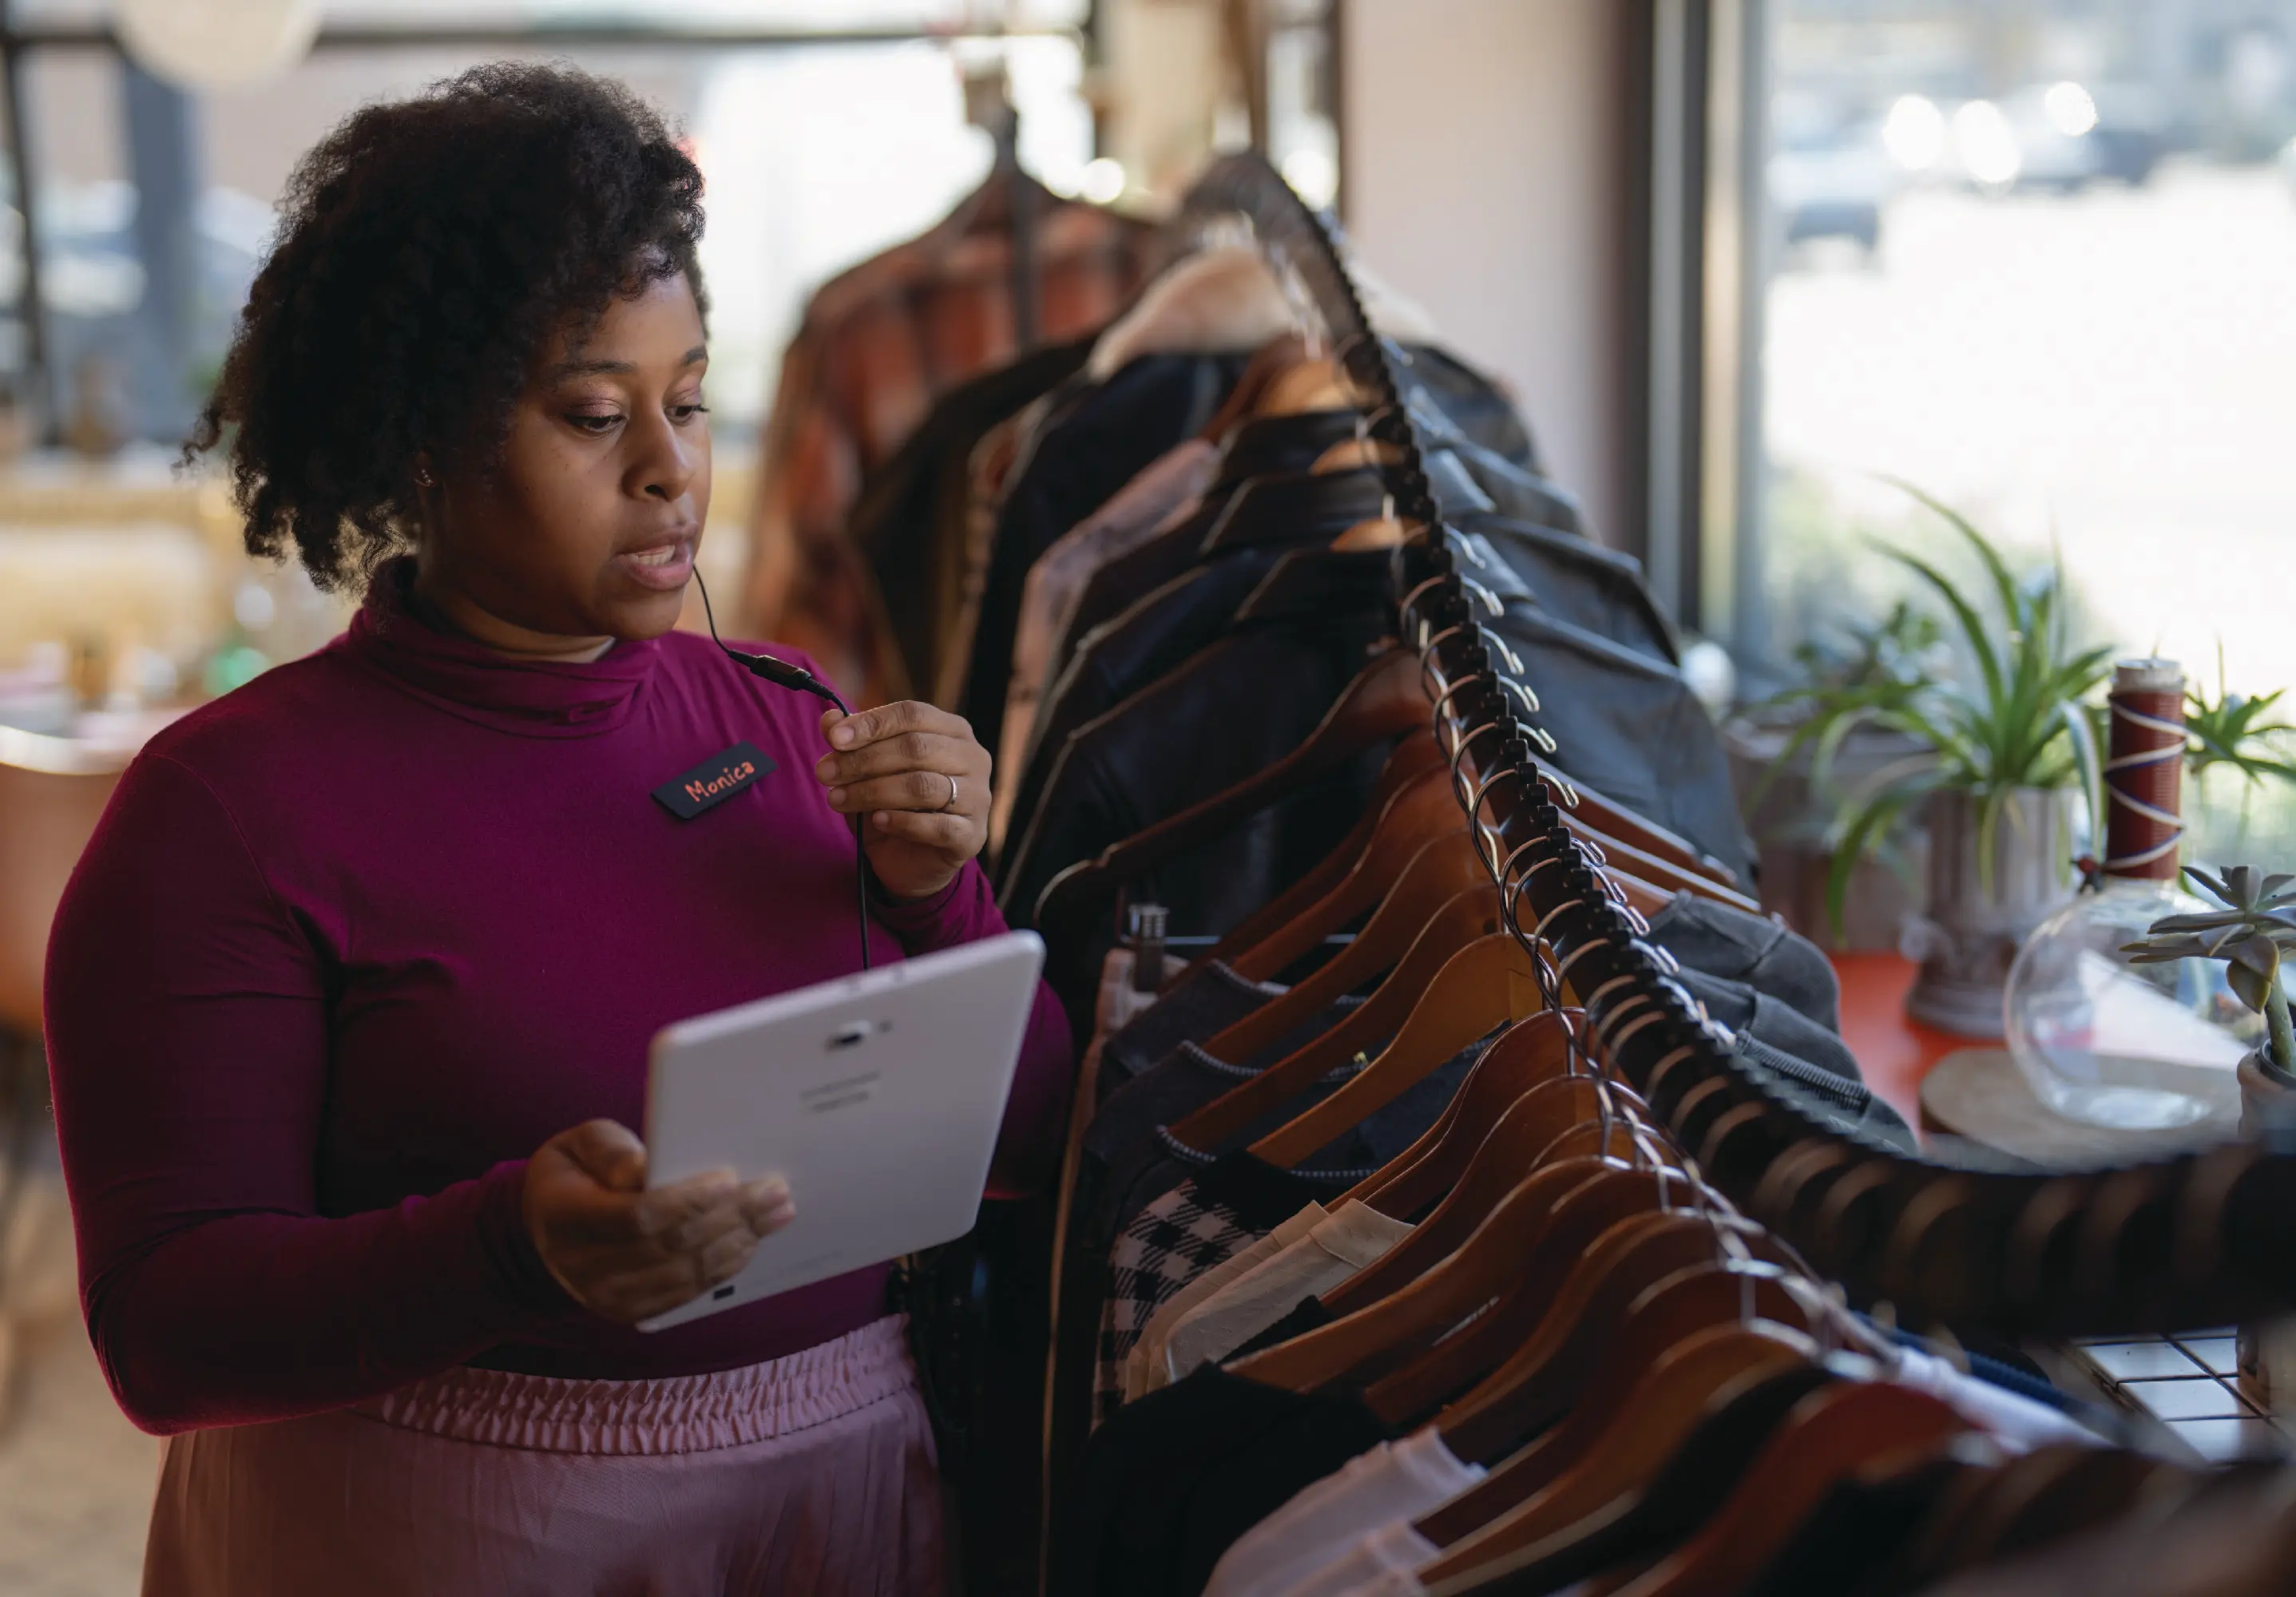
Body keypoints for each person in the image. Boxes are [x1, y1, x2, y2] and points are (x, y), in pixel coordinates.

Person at [42, 63, 1071, 1596]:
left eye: (691, 396)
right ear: (420, 443)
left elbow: (1034, 1136)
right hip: (436, 1530)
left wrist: (939, 902)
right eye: (593, 413)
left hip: (845, 1498)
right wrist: (507, 1253)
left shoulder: (795, 721)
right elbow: (163, 1331)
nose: (669, 466)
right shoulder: (227, 808)